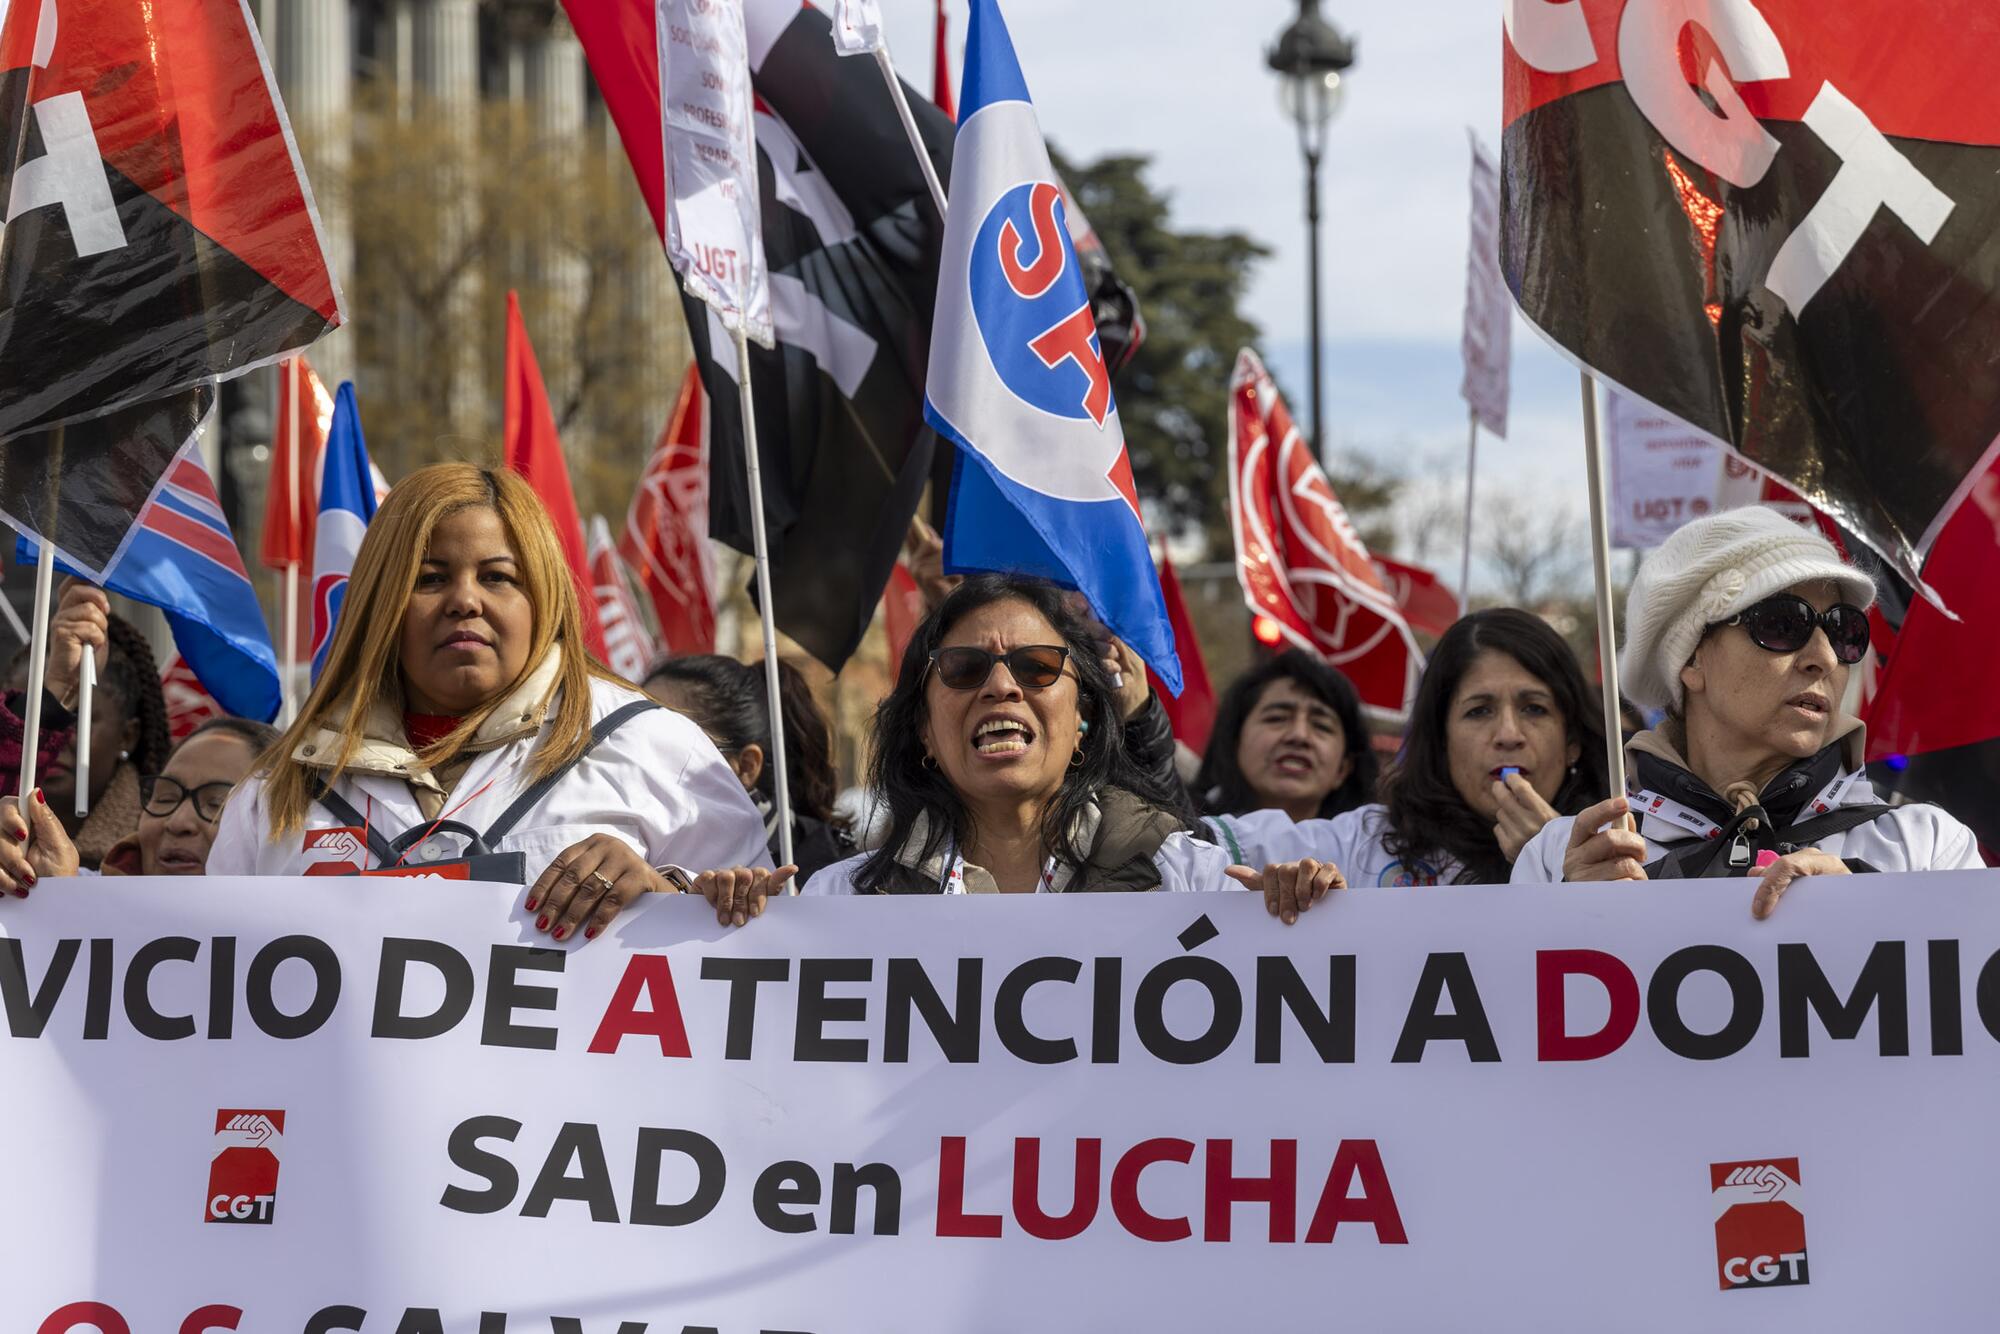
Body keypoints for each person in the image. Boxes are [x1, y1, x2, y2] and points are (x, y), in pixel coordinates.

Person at [208, 463, 770, 941]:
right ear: (383, 602)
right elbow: (216, 984)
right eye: (428, 579)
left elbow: (769, 960)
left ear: (542, 597)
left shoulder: (653, 747)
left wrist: (662, 888)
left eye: (498, 577)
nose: (464, 601)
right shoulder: (279, 787)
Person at [693, 574, 1261, 922]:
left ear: (1083, 714)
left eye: (1037, 666)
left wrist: (1306, 921)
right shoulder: (846, 900)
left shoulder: (1189, 878)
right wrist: (722, 928)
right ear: (923, 733)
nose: (1002, 686)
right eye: (964, 669)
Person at [1515, 507, 1984, 912]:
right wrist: (1567, 920)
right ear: (1691, 658)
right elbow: (1510, 1012)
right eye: (1783, 624)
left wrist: (1874, 921)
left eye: (1844, 631)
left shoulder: (1926, 847)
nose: (1823, 656)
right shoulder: (1567, 857)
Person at [1217, 609, 1609, 919]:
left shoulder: (1624, 844)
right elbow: (1182, 848)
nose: (1508, 733)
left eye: (1534, 709)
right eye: (1479, 711)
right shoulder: (1362, 845)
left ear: (1572, 742)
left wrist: (1555, 861)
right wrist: (1298, 887)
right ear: (1440, 740)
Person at [643, 654, 856, 886]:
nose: (635, 760)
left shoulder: (838, 879)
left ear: (746, 766)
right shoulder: (623, 850)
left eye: (663, 746)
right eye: (627, 736)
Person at [1, 580, 172, 869]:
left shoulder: (162, 848)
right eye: (22, 713)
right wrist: (58, 687)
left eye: (77, 717)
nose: (57, 734)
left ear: (128, 736)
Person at [10, 716, 281, 878]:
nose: (178, 822)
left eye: (217, 804)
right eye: (165, 798)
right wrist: (48, 899)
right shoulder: (69, 890)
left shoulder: (315, 940)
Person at [1191, 649, 1378, 822]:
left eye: (1321, 726)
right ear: (1235, 742)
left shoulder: (1367, 853)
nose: (1299, 735)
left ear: (1343, 769)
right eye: (1277, 718)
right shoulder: (1179, 840)